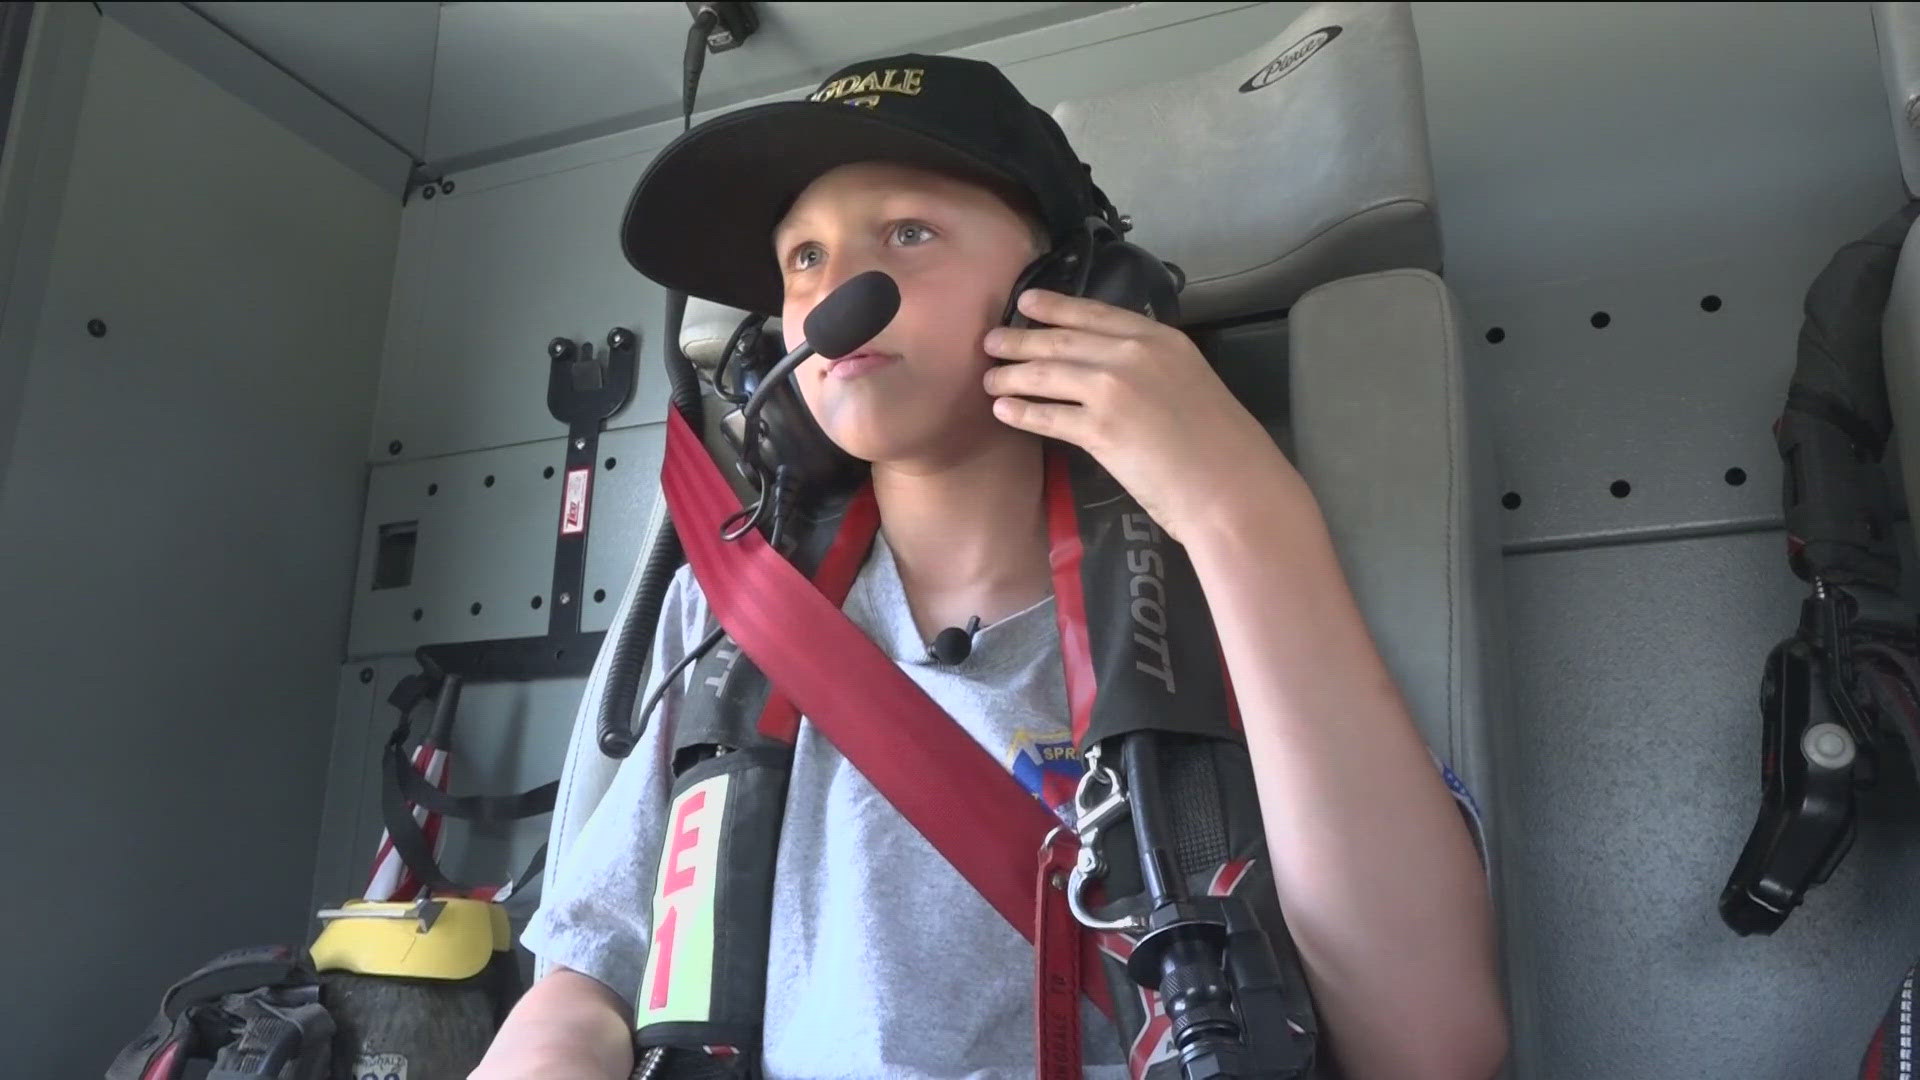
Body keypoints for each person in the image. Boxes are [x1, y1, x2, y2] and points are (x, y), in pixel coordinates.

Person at [473, 52, 1508, 1080]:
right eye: (802, 259)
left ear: (1067, 287)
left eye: (909, 233)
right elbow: (589, 981)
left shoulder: (1220, 578)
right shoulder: (729, 611)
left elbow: (1431, 1045)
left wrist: (1240, 509)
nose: (838, 290)